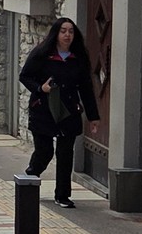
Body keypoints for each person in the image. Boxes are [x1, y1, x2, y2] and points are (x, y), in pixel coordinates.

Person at [18, 17, 102, 208]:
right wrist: (40, 88)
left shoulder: (78, 58)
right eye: (63, 31)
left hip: (69, 111)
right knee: (44, 151)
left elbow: (86, 88)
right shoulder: (42, 53)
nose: (67, 35)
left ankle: (62, 195)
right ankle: (30, 176)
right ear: (56, 33)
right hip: (43, 110)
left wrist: (93, 116)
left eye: (70, 31)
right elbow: (25, 76)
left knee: (65, 154)